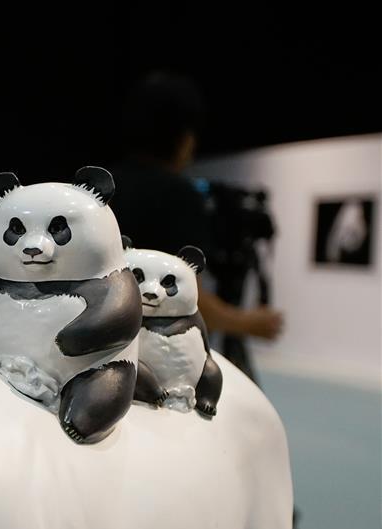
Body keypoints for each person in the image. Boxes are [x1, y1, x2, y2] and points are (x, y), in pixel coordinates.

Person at [109, 72, 283, 350]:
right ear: (184, 137)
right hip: (155, 353)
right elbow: (190, 298)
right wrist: (249, 323)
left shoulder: (104, 186)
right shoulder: (178, 194)